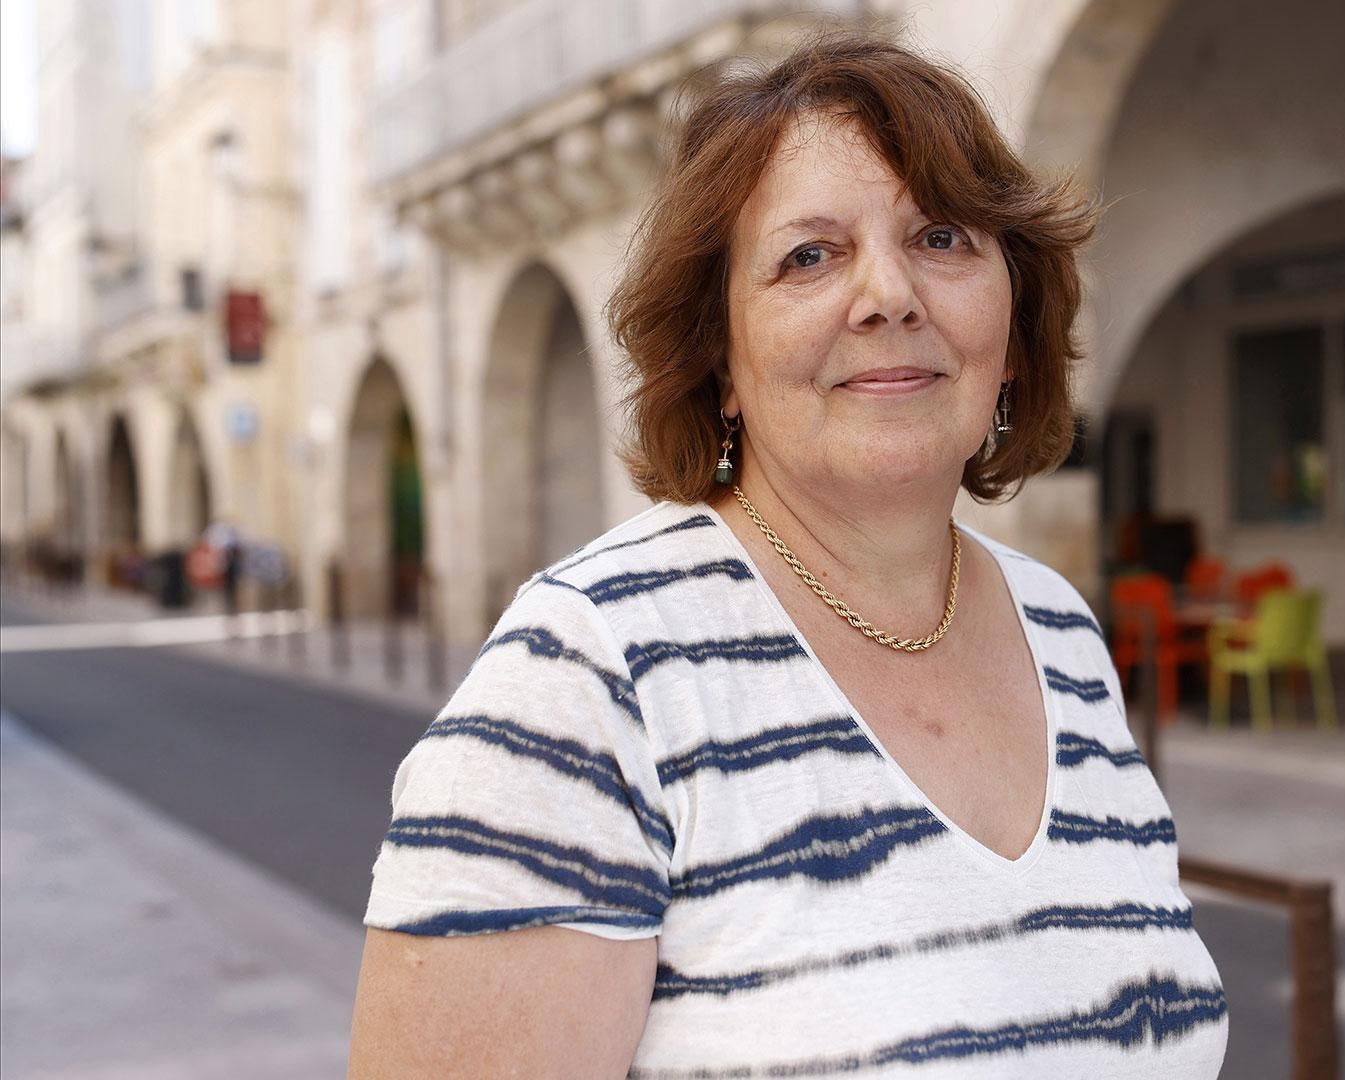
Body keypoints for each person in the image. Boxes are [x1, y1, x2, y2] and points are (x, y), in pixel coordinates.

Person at [347, 34, 1228, 1078]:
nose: (889, 295)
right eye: (809, 256)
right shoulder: (588, 680)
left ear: (1014, 321)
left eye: (942, 238)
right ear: (719, 359)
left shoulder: (1061, 634)